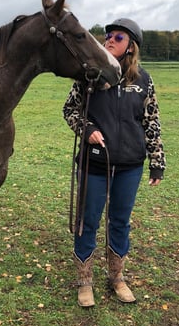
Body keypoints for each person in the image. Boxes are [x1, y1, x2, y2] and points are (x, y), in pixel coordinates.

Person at [63, 18, 165, 307]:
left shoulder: (143, 80)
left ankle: (117, 277)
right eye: (108, 35)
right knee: (88, 221)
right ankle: (85, 281)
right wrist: (87, 129)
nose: (109, 40)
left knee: (120, 221)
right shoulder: (89, 76)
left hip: (130, 165)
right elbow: (70, 110)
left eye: (118, 37)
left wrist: (157, 160)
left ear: (131, 46)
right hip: (94, 163)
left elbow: (151, 122)